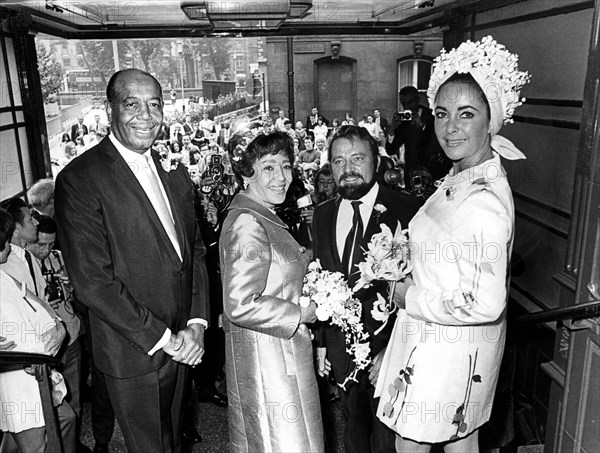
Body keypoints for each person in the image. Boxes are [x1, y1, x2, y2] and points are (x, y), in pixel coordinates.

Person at [374, 36, 531, 452]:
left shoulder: (485, 202)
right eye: (442, 114)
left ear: (490, 121)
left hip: (446, 353)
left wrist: (408, 296)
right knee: (462, 443)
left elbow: (486, 303)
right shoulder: (466, 175)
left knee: (412, 447)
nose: (450, 127)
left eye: (466, 114)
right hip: (448, 349)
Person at [55, 68, 210, 453]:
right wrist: (162, 338)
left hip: (183, 346)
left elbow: (194, 254)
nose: (146, 115)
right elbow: (92, 281)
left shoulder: (173, 173)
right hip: (135, 354)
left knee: (173, 443)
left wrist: (196, 324)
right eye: (132, 104)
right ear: (111, 110)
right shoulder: (81, 178)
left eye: (154, 104)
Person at [311, 125, 420, 453]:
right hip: (342, 352)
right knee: (353, 436)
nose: (347, 170)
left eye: (357, 158)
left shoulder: (408, 211)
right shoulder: (322, 214)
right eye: (338, 161)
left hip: (391, 352)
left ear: (376, 160)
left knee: (389, 441)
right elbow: (318, 281)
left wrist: (394, 351)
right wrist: (320, 344)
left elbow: (420, 290)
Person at [219, 131, 324, 452]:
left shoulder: (263, 216)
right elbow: (239, 304)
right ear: (246, 174)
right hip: (268, 365)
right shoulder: (247, 223)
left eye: (286, 166)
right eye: (268, 167)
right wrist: (301, 313)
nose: (281, 177)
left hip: (281, 357)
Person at [0, 203, 74, 453]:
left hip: (32, 370)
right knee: (34, 445)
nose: (8, 247)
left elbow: (32, 297)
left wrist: (56, 323)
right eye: (4, 243)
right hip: (17, 374)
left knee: (25, 440)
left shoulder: (5, 275)